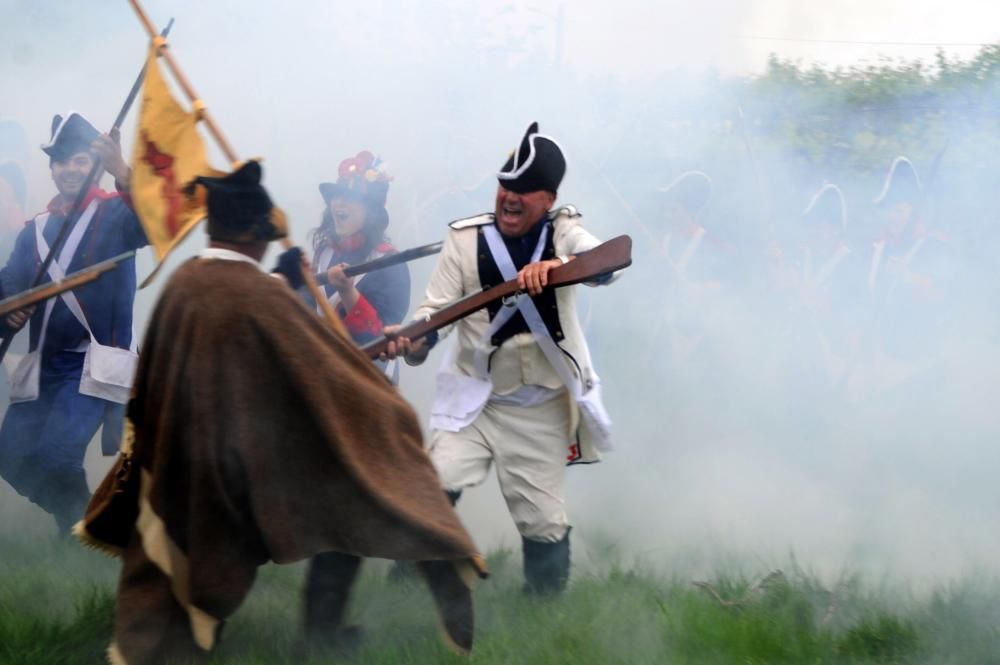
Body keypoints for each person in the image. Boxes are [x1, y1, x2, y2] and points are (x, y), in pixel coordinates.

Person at [76, 161, 484, 664]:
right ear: (257, 238)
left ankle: (316, 631)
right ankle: (431, 560)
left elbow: (327, 341)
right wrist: (385, 414)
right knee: (337, 499)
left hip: (189, 452)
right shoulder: (260, 293)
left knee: (323, 510)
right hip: (242, 453)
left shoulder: (185, 282)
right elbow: (316, 359)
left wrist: (296, 289)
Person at [386, 122, 618, 595]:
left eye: (525, 190)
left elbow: (607, 262)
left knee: (542, 522)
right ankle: (404, 584)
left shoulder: (564, 232)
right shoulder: (465, 239)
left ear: (548, 198)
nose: (510, 198)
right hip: (476, 399)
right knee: (434, 483)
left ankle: (544, 611)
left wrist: (558, 266)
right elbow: (436, 312)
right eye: (505, 186)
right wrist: (415, 339)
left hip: (540, 409)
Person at [0, 111, 145, 535]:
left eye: (80, 160)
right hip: (45, 365)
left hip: (92, 364)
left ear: (94, 164)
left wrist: (122, 170)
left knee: (57, 456)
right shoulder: (36, 231)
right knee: (9, 457)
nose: (70, 169)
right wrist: (12, 309)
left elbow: (155, 224)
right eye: (61, 161)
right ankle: (79, 522)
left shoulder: (117, 215)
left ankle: (87, 537)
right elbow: (9, 285)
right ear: (51, 168)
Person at [312, 151, 409, 380]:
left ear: (371, 212)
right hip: (325, 376)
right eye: (337, 195)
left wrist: (348, 292)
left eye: (351, 197)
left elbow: (382, 339)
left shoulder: (391, 265)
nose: (339, 203)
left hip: (370, 381)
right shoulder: (324, 253)